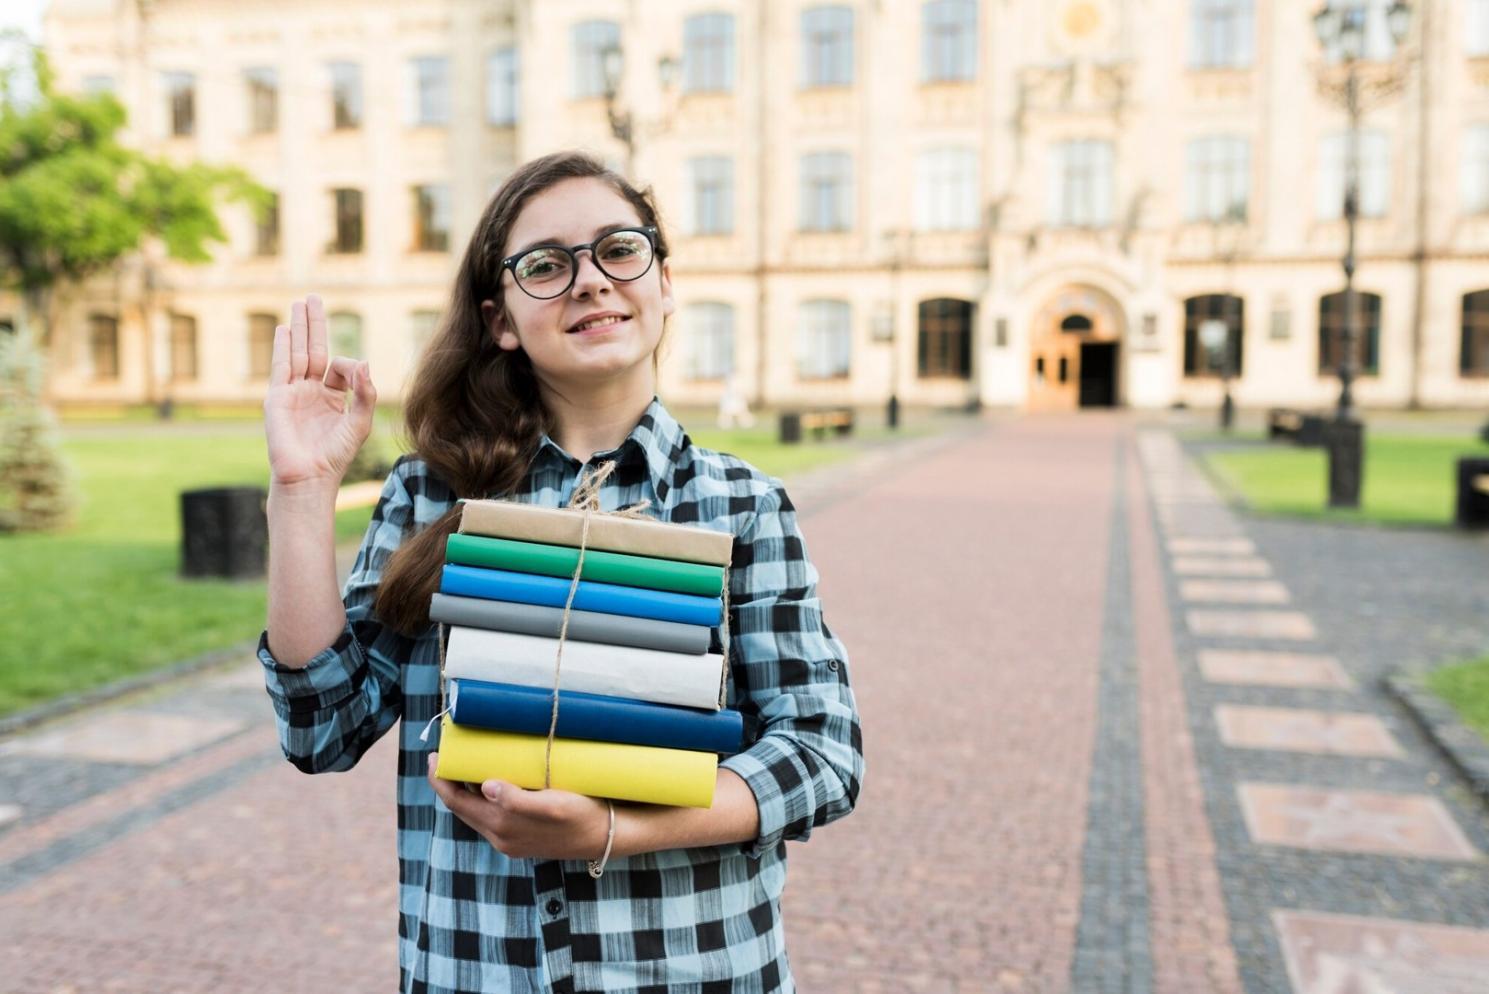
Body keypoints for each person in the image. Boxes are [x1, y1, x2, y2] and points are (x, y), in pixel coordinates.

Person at [259, 150, 863, 994]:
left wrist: (613, 828)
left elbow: (822, 754)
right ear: (500, 318)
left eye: (618, 249)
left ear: (663, 281)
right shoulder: (428, 495)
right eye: (545, 265)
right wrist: (300, 493)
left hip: (699, 972)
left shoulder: (742, 504)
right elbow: (321, 732)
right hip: (475, 973)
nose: (589, 281)